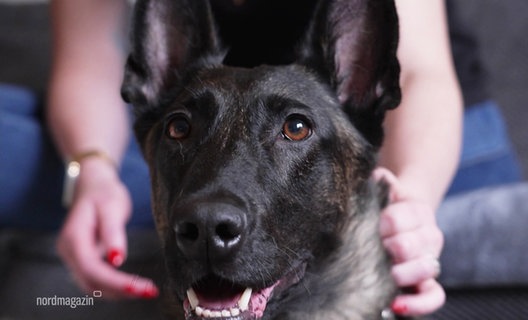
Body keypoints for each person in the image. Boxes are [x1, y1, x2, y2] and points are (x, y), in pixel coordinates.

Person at [44, 0, 461, 316]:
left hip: (421, 134)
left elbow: (421, 70)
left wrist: (414, 200)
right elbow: (87, 59)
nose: (208, 220)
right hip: (220, 120)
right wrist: (92, 171)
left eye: (293, 129)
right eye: (179, 128)